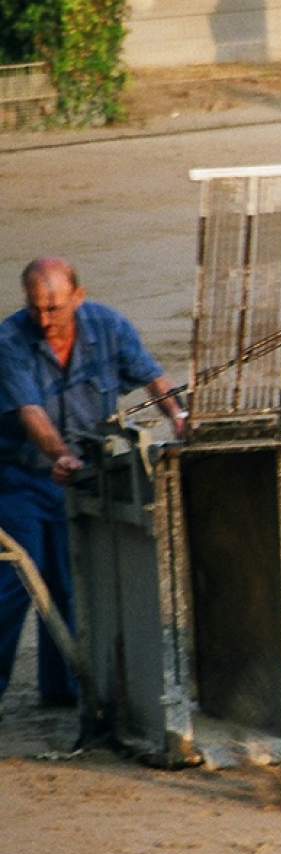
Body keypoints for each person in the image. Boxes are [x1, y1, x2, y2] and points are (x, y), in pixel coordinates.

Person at [0, 257, 186, 708]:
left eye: (55, 309)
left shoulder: (109, 327)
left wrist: (179, 417)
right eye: (36, 309)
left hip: (79, 478)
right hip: (17, 477)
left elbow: (152, 376)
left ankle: (62, 692)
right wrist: (59, 454)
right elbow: (31, 414)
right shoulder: (10, 341)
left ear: (77, 298)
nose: (44, 320)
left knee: (70, 584)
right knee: (11, 585)